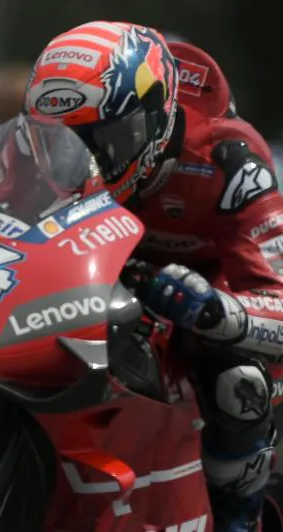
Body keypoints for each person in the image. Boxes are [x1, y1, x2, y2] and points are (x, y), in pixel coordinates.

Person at [24, 21, 281, 531]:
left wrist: (213, 310)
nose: (84, 163)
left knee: (240, 382)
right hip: (85, 278)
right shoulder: (38, 159)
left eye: (105, 140)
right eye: (60, 141)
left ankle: (238, 517)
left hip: (200, 295)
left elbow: (277, 298)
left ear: (155, 116)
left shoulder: (232, 162)